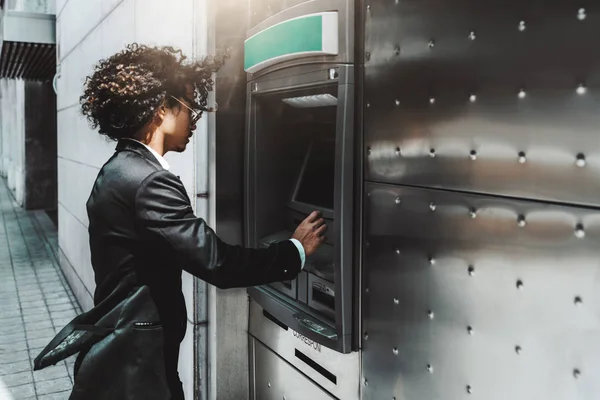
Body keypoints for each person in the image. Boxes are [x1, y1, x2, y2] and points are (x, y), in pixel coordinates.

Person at [42, 44, 326, 399]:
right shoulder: (149, 181)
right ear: (162, 109)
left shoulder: (118, 169)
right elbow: (217, 263)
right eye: (190, 109)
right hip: (139, 365)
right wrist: (294, 251)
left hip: (129, 349)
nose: (195, 122)